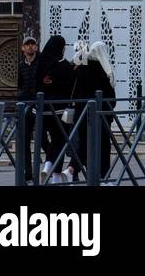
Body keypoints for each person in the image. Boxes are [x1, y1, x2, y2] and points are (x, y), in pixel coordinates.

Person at [70, 41, 116, 182]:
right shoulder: (105, 71)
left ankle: (76, 170)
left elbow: (76, 90)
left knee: (84, 142)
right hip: (101, 116)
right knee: (103, 145)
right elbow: (111, 98)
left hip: (82, 114)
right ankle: (104, 175)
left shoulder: (81, 69)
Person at [35, 35, 74, 183]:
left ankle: (47, 167)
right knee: (60, 140)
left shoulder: (41, 62)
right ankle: (55, 174)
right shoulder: (63, 64)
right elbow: (69, 84)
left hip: (44, 109)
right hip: (60, 110)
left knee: (54, 140)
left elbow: (37, 82)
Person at [16, 34, 40, 183]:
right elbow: (19, 85)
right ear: (23, 48)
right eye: (27, 44)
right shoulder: (20, 66)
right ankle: (28, 171)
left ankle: (50, 165)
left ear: (36, 47)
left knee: (42, 139)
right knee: (24, 140)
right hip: (25, 106)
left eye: (32, 44)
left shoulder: (40, 63)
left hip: (39, 105)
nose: (30, 46)